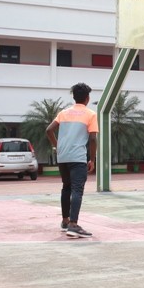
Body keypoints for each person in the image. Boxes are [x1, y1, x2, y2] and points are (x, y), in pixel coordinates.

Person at [46, 82, 98, 238]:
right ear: (87, 98)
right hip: (77, 157)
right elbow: (93, 138)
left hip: (63, 157)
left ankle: (65, 221)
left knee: (66, 187)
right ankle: (73, 225)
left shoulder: (64, 113)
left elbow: (49, 130)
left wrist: (58, 146)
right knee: (77, 189)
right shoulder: (90, 114)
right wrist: (92, 159)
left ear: (74, 97)